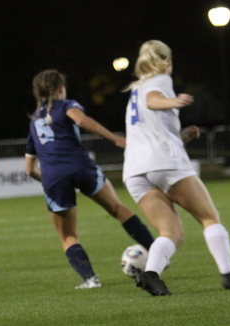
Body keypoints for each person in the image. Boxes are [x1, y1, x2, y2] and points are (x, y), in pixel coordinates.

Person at [123, 40, 230, 296]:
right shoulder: (159, 80)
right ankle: (228, 275)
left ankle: (150, 275)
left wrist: (180, 137)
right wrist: (175, 101)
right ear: (166, 61)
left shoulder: (135, 89)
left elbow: (150, 130)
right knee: (209, 217)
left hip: (135, 170)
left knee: (171, 232)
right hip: (164, 163)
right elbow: (153, 101)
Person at [25, 70, 155, 289]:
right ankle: (158, 253)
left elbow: (29, 169)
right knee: (117, 209)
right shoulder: (66, 105)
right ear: (60, 89)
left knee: (68, 236)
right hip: (81, 167)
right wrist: (115, 139)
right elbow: (81, 120)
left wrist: (50, 180)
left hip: (54, 178)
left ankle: (90, 279)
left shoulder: (34, 122)